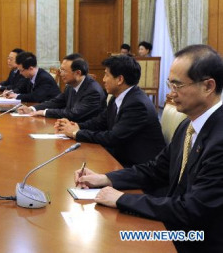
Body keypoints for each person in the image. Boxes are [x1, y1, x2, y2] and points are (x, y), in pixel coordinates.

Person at [74, 45, 223, 252]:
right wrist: (105, 178)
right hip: (176, 225)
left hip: (197, 239)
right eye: (170, 84)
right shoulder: (188, 125)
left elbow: (193, 210)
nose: (171, 93)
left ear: (208, 86)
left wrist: (122, 199)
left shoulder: (219, 138)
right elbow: (156, 169)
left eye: (177, 85)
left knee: (114, 240)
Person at [56, 55, 165, 167]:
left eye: (106, 75)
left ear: (120, 79)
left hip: (138, 167)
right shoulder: (117, 97)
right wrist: (75, 126)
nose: (103, 80)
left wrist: (76, 133)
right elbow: (99, 122)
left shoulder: (137, 104)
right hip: (120, 158)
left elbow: (113, 137)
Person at [18, 54, 105, 122]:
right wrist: (32, 109)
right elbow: (56, 102)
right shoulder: (70, 86)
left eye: (64, 71)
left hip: (87, 136)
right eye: (60, 70)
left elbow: (74, 114)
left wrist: (44, 112)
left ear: (78, 73)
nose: (61, 74)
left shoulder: (93, 91)